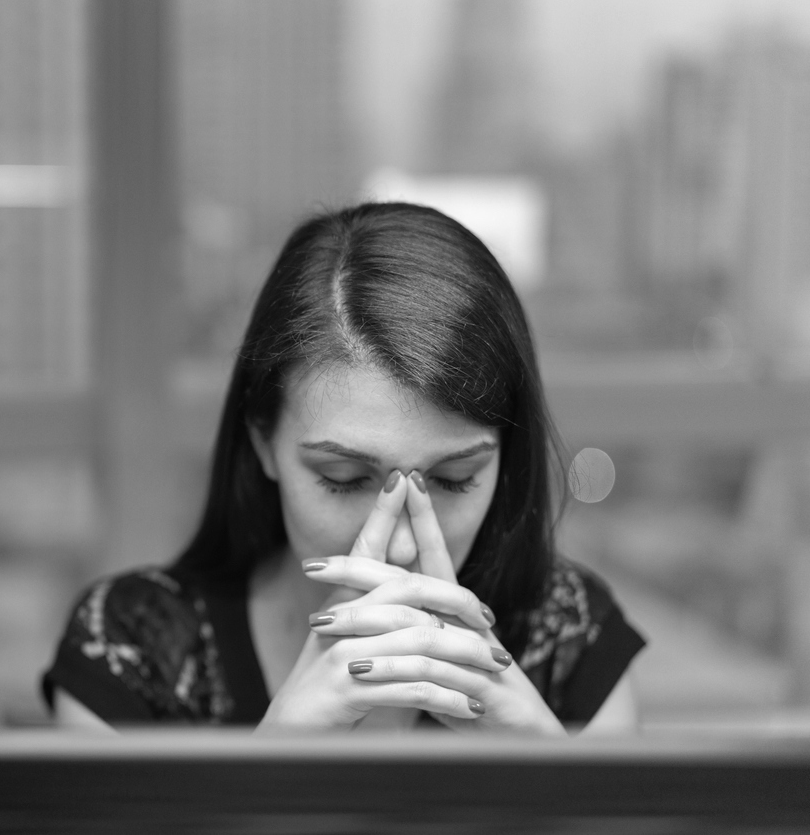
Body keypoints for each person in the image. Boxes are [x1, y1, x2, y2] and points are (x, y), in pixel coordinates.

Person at [42, 202, 645, 733]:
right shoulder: (129, 649)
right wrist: (272, 765)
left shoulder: (569, 634)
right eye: (344, 478)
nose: (404, 546)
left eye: (454, 479)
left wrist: (546, 774)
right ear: (262, 442)